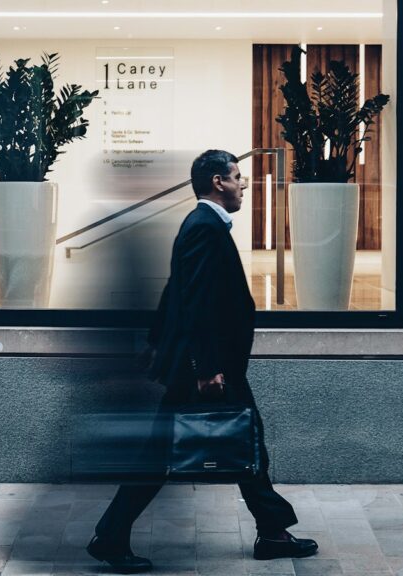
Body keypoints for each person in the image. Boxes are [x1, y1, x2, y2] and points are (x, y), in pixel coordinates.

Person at [87, 150, 318, 573]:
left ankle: (271, 531)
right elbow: (194, 300)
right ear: (217, 182)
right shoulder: (205, 227)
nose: (243, 185)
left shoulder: (203, 225)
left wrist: (157, 340)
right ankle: (111, 535)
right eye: (237, 177)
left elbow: (176, 288)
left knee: (242, 440)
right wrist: (207, 367)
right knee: (183, 451)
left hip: (206, 364)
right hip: (209, 368)